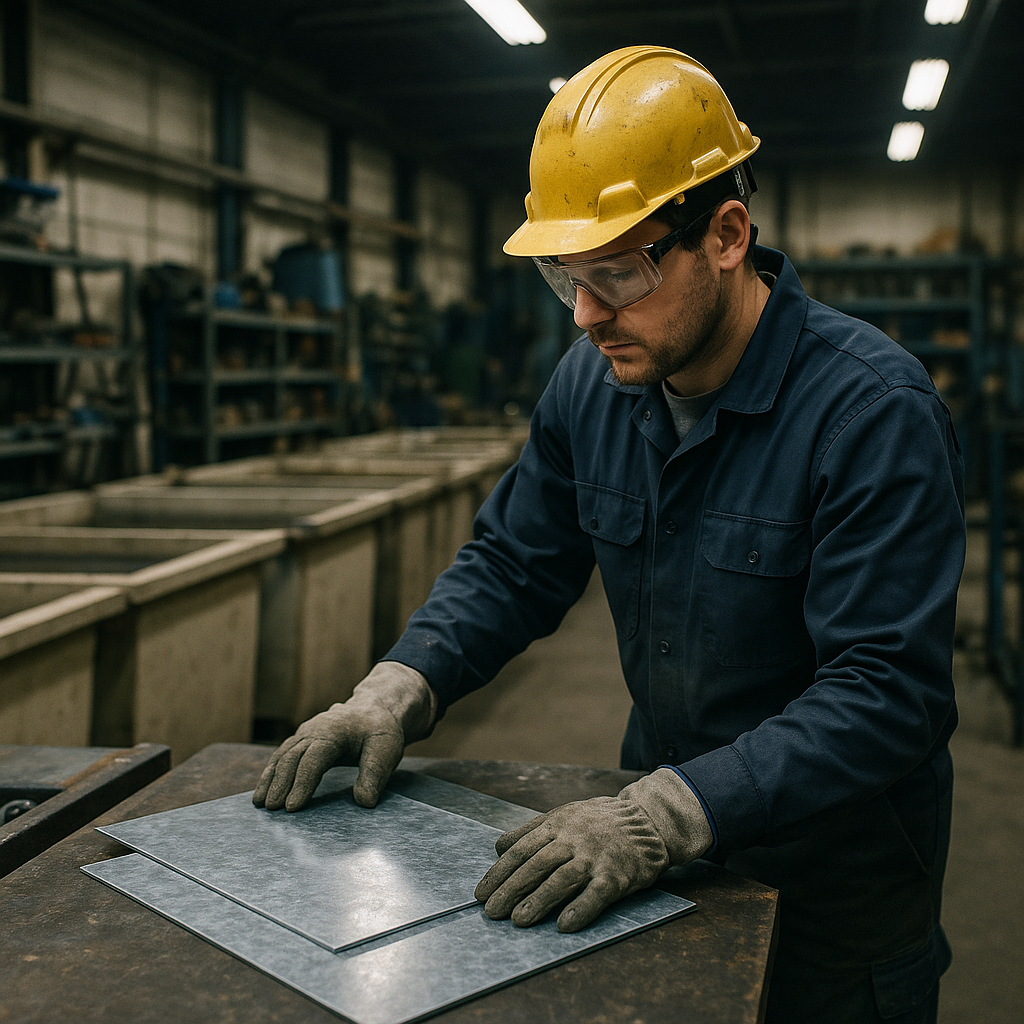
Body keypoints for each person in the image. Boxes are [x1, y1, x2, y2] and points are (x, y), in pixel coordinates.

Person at [253, 46, 965, 1024]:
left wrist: (659, 815)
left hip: (831, 905)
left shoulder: (870, 412)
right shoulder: (594, 383)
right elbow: (514, 559)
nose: (587, 316)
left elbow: (886, 693)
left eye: (618, 274)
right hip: (658, 870)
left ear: (725, 234)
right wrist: (398, 684)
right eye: (564, 279)